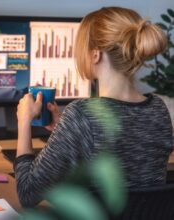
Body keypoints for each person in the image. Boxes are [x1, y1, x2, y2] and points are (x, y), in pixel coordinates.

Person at [15, 6, 173, 208]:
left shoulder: (81, 114)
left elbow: (27, 194)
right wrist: (65, 132)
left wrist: (24, 122)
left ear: (95, 55)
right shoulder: (159, 110)